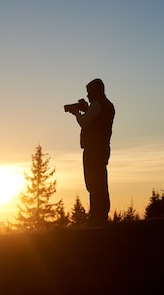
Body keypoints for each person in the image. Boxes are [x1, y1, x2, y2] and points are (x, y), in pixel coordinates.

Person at [67, 78, 115, 225]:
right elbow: (97, 120)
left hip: (93, 149)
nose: (87, 95)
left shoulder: (97, 104)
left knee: (93, 182)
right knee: (100, 180)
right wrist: (86, 110)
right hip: (102, 147)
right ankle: (101, 214)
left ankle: (96, 215)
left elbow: (84, 123)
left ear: (95, 91)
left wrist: (76, 113)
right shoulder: (107, 105)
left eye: (89, 92)